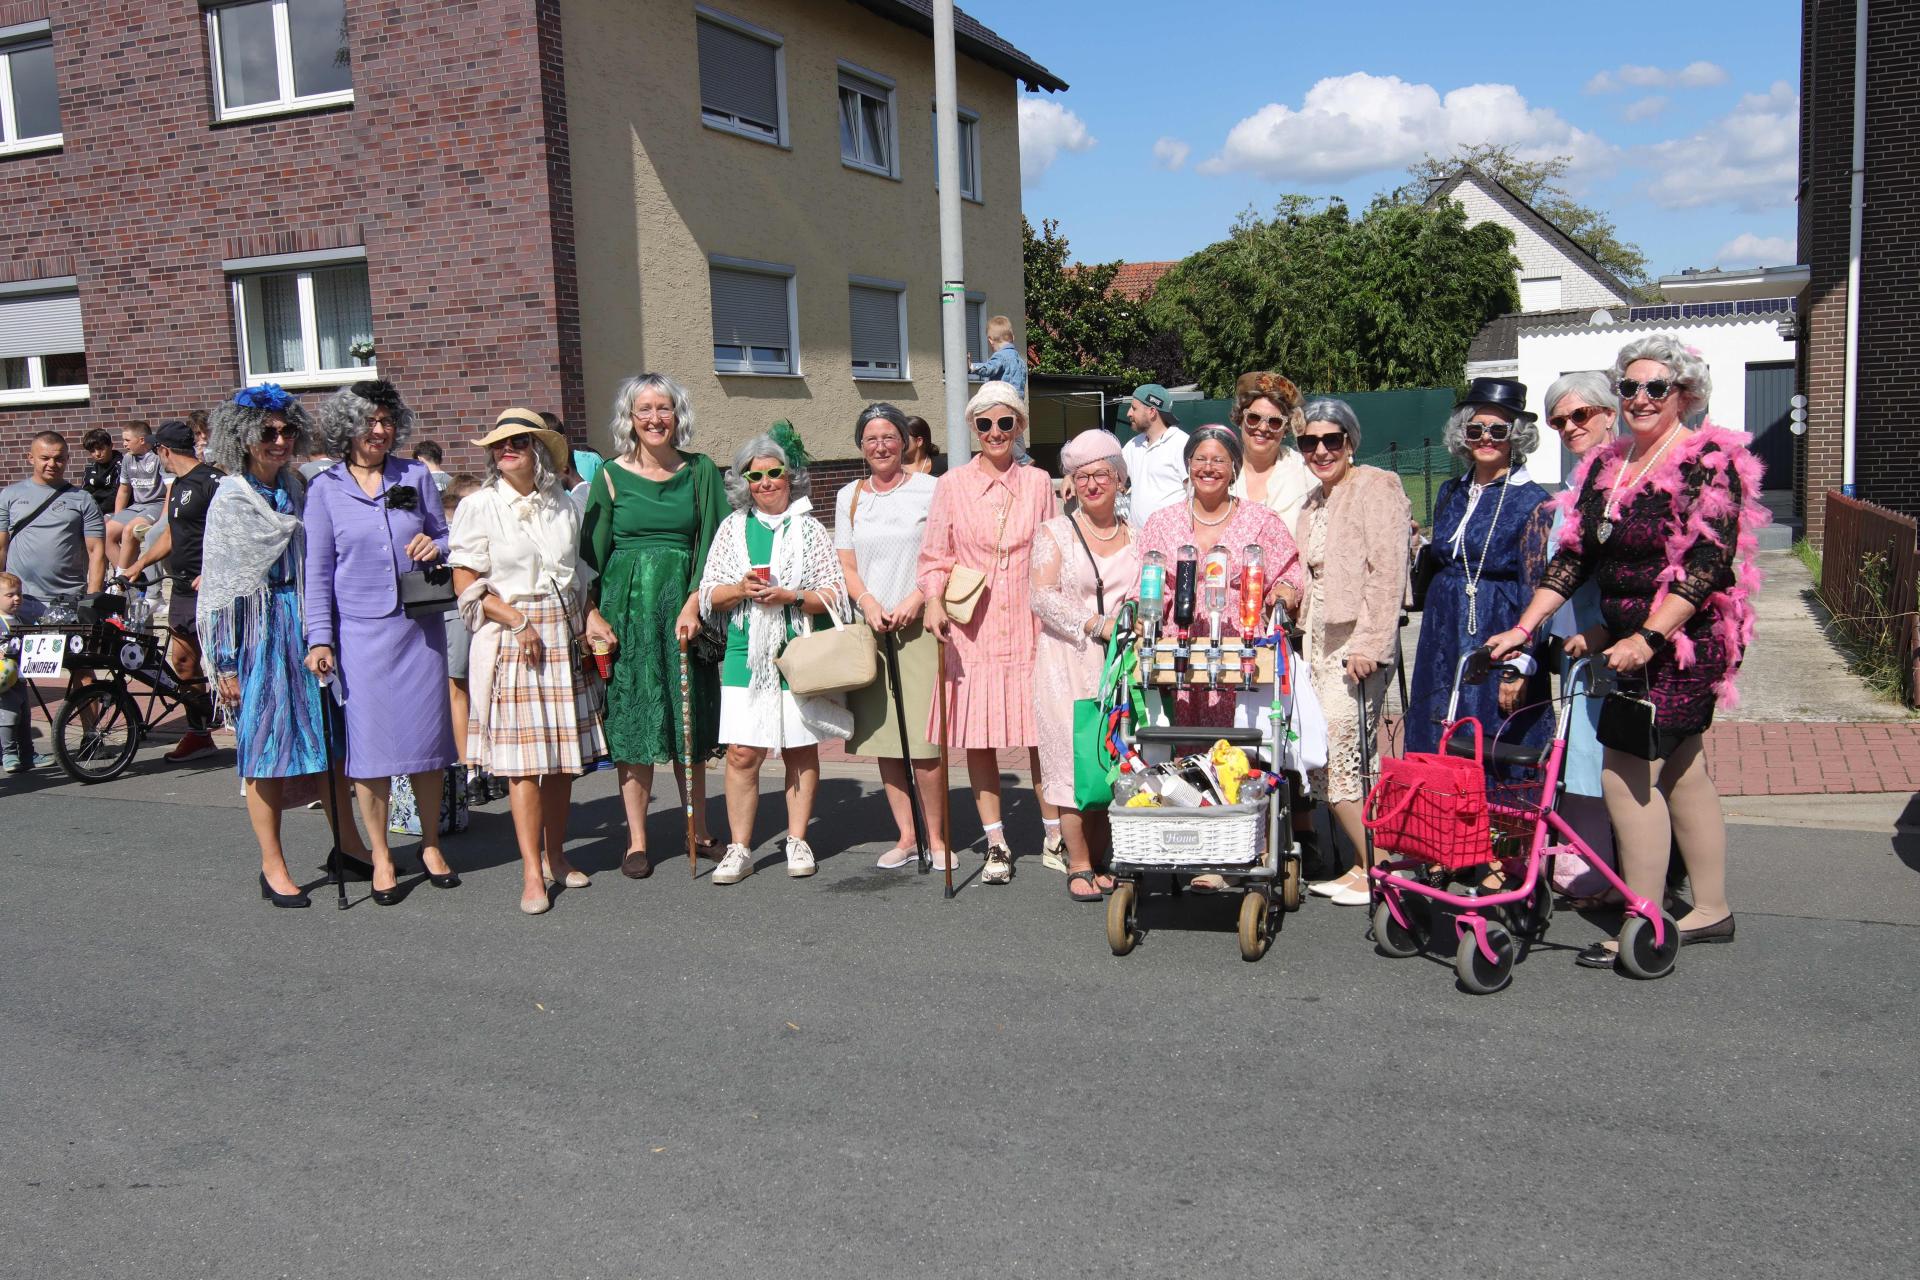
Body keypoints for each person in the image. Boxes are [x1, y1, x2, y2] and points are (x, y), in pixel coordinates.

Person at [1490, 335, 1765, 966]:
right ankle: (1711, 908)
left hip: (1684, 641)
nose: (1639, 398)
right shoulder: (1607, 467)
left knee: (1624, 770)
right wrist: (1526, 626)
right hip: (1626, 642)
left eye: (1655, 387)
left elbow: (1707, 564)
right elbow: (1572, 558)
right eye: (1630, 387)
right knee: (1685, 770)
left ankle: (1643, 923)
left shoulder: (1709, 460)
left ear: (1684, 394)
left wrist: (1648, 637)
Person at [197, 384, 372, 907]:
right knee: (265, 748)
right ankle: (273, 865)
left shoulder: (298, 486)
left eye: (286, 430)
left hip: (308, 624)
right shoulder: (232, 498)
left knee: (328, 740)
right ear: (243, 437)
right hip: (259, 634)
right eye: (267, 432)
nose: (279, 440)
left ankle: (349, 845)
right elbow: (225, 587)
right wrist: (225, 662)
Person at [449, 410, 613, 915]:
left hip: (561, 635)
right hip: (512, 637)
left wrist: (591, 616)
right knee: (522, 770)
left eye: (518, 441)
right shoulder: (479, 506)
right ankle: (529, 873)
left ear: (539, 450)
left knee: (561, 766)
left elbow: (576, 576)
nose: (507, 450)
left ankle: (556, 856)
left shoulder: (563, 504)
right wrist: (519, 624)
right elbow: (466, 585)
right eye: (500, 444)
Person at [302, 380, 459, 905]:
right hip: (360, 635)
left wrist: (433, 544)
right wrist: (319, 637)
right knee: (369, 753)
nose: (379, 430)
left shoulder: (414, 474)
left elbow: (446, 535)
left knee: (427, 746)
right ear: (347, 427)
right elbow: (317, 573)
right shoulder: (325, 489)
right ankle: (383, 857)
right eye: (369, 420)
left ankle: (431, 845)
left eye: (387, 421)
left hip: (419, 629)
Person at [580, 373, 727, 879]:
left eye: (663, 408)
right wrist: (591, 612)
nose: (655, 418)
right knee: (634, 721)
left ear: (677, 415)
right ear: (630, 418)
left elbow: (714, 541)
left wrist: (694, 603)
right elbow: (590, 555)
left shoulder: (701, 470)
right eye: (644, 409)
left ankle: (698, 829)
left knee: (690, 721)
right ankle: (637, 841)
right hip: (628, 610)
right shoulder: (609, 474)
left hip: (684, 608)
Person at [918, 381, 1060, 884]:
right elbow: (935, 556)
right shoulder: (950, 484)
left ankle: (1054, 835)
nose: (996, 432)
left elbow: (1054, 551)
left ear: (1019, 426)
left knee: (1043, 735)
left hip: (1028, 624)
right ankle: (996, 843)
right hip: (972, 627)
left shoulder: (1040, 482)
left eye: (1006, 422)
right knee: (979, 739)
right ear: (973, 429)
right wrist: (933, 602)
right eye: (985, 424)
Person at [695, 426, 849, 885]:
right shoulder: (732, 528)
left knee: (801, 749)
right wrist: (740, 589)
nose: (765, 482)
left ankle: (797, 839)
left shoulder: (809, 527)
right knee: (743, 753)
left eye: (773, 472)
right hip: (746, 651)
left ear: (789, 475)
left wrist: (792, 597)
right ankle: (740, 847)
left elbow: (835, 595)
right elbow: (709, 594)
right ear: (743, 482)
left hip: (798, 648)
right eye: (754, 475)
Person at [1287, 400, 1411, 906]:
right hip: (1316, 639)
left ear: (1350, 442)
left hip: (1355, 642)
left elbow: (1388, 571)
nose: (1320, 450)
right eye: (1309, 442)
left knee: (1344, 754)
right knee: (1324, 753)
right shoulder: (1314, 500)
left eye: (1331, 440)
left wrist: (1372, 644)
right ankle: (1364, 864)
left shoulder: (1376, 486)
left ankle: (1384, 871)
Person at [1405, 378, 1554, 761]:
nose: (1486, 438)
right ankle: (1443, 816)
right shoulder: (1450, 491)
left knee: (1492, 732)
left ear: (1515, 437)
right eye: (1475, 429)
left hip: (1498, 627)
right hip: (1442, 629)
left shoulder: (1534, 501)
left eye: (1498, 430)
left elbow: (1538, 587)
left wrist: (1520, 664)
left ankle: (1498, 821)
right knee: (1436, 724)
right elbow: (1444, 555)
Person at [835, 403, 946, 869]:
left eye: (888, 437)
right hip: (872, 626)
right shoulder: (850, 495)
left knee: (923, 741)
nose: (880, 446)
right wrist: (870, 605)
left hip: (918, 625)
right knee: (884, 738)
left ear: (906, 442)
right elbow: (847, 563)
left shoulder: (931, 489)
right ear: (861, 446)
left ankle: (937, 839)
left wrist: (916, 599)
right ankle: (905, 836)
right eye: (870, 439)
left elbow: (944, 553)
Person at [1031, 429, 1139, 901]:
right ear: (1071, 483)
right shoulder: (1055, 532)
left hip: (1123, 662)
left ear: (1119, 479)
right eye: (1082, 476)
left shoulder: (1138, 534)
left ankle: (1102, 856)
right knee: (1072, 764)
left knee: (1111, 760)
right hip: (1068, 659)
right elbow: (1041, 596)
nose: (1093, 484)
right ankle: (1077, 862)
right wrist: (1096, 625)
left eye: (1102, 474)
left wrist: (1133, 622)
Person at [1137, 424, 1304, 730]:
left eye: (1219, 461)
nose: (1208, 468)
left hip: (1240, 646)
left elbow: (1289, 571)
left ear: (1233, 469)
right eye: (1200, 459)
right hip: (1179, 648)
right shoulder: (1162, 522)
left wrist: (1284, 591)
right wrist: (1144, 612)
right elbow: (1149, 582)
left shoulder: (1261, 520)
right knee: (1181, 742)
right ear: (1189, 465)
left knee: (1240, 742)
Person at [1537, 371, 1622, 903]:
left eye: (1580, 415)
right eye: (1559, 420)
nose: (1569, 426)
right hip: (1577, 650)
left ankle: (1619, 876)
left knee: (1610, 758)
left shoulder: (1624, 480)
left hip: (1615, 642)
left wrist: (1603, 631)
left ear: (1609, 414)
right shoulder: (1576, 487)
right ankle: (1597, 865)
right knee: (1582, 754)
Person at [126, 419, 223, 762]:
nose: (157, 455)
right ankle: (199, 734)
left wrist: (214, 571)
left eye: (157, 449)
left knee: (225, 663)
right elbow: (169, 535)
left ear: (165, 450)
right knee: (183, 661)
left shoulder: (216, 482)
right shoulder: (178, 485)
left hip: (214, 589)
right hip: (182, 587)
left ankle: (250, 733)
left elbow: (230, 533)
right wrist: (137, 565)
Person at [0, 431, 106, 620]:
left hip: (67, 601)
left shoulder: (83, 499)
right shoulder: (9, 495)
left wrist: (92, 599)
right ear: (31, 458)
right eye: (45, 458)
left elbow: (96, 551)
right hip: (20, 600)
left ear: (67, 459)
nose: (52, 464)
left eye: (58, 459)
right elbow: (1, 547)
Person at [1229, 371, 1317, 539]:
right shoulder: (1220, 471)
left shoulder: (1305, 472)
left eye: (1274, 422)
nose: (1263, 428)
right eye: (1254, 418)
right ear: (1240, 419)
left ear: (1285, 429)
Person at [0, 570, 51, 771]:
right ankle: (9, 754)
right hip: (3, 679)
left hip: (19, 678)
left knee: (24, 716)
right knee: (7, 715)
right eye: (10, 595)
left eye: (19, 594)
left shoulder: (19, 620)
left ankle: (28, 754)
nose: (16, 599)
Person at [1118, 384, 1189, 528]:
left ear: (1152, 411)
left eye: (1134, 408)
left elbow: (1195, 494)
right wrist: (1071, 474)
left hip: (1171, 542)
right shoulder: (1133, 445)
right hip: (1138, 542)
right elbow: (1108, 468)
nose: (1129, 413)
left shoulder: (1182, 444)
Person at [106, 421, 166, 576]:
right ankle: (130, 579)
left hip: (157, 504)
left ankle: (121, 579)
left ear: (142, 440)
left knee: (129, 530)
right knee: (107, 531)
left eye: (127, 440)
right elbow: (124, 490)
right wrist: (117, 515)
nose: (124, 444)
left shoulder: (157, 457)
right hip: (137, 506)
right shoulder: (127, 459)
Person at [969, 315, 1028, 398]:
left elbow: (989, 368)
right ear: (1013, 338)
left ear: (990, 340)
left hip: (1003, 401)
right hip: (1017, 403)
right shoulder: (1020, 361)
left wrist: (972, 367)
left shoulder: (1001, 356)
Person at [79, 429, 121, 516]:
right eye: (92, 451)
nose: (97, 454)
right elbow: (85, 492)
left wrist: (95, 511)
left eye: (100, 448)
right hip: (92, 510)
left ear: (111, 446)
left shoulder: (121, 465)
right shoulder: (90, 467)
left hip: (113, 510)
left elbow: (116, 495)